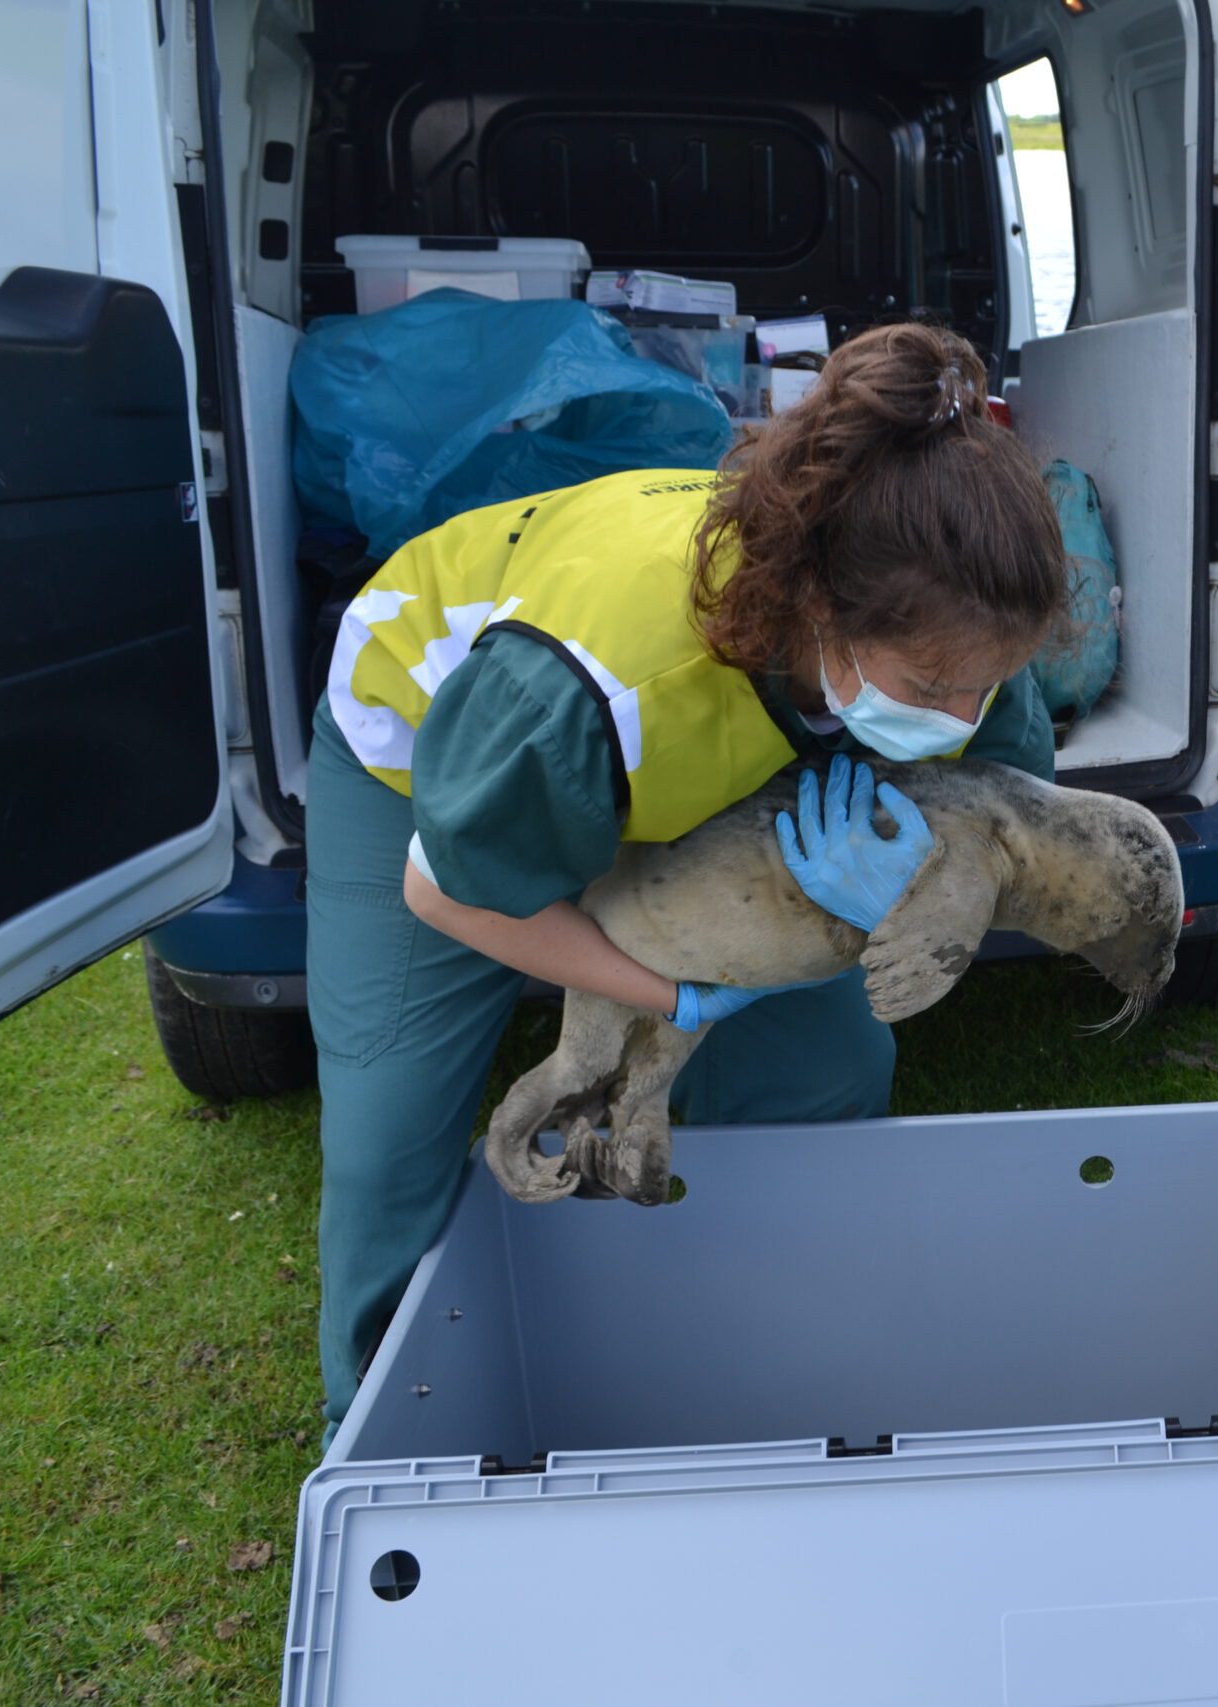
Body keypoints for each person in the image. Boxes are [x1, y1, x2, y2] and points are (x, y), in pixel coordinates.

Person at [307, 323, 1067, 1436]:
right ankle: (383, 1435)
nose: (963, 715)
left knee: (826, 1064)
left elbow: (998, 802)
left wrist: (913, 878)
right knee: (386, 1134)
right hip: (434, 752)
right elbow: (447, 890)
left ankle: (761, 1347)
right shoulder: (592, 687)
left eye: (988, 686)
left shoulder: (963, 641)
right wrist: (679, 1000)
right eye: (934, 686)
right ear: (821, 613)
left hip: (687, 757)